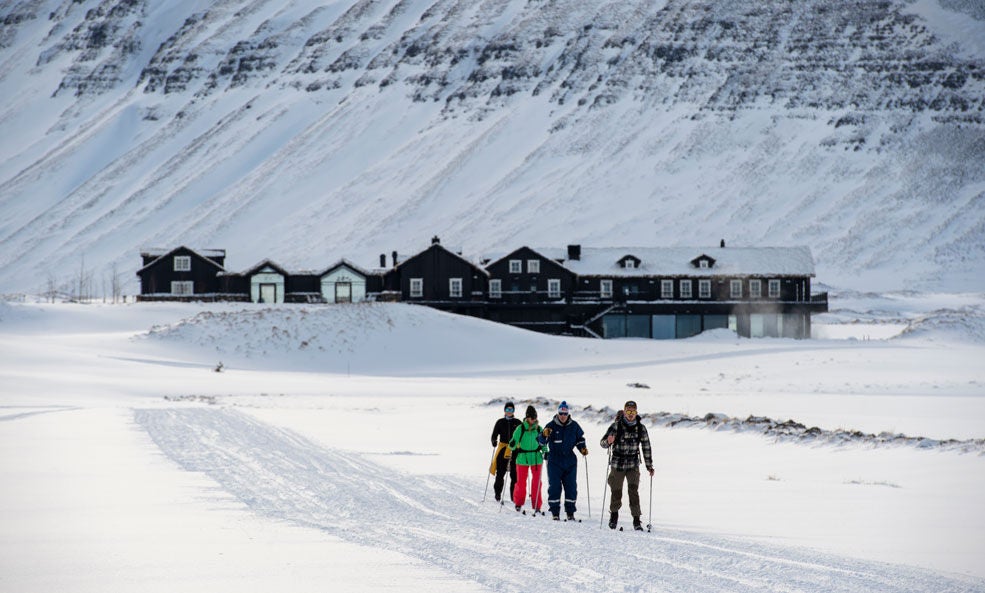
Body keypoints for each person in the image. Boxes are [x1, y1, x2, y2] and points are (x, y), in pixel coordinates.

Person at [600, 400, 654, 531]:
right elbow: (602, 443)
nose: (630, 414)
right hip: (617, 464)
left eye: (633, 411)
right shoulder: (616, 426)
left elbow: (646, 447)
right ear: (624, 412)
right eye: (628, 411)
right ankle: (614, 516)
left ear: (636, 412)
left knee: (633, 492)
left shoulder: (641, 428)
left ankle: (636, 520)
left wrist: (649, 466)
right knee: (616, 491)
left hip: (633, 465)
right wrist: (608, 441)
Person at [538, 401, 588, 521]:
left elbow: (580, 439)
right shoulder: (551, 425)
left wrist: (582, 448)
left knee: (571, 487)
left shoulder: (574, 425)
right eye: (561, 413)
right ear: (558, 413)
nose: (563, 416)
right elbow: (540, 441)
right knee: (554, 487)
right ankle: (555, 512)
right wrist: (544, 435)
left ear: (568, 414)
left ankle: (570, 512)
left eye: (565, 413)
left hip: (570, 461)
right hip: (554, 460)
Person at [509, 405, 547, 513]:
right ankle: (518, 503)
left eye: (535, 417)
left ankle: (537, 505)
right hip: (522, 458)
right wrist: (511, 444)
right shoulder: (520, 429)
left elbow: (543, 443)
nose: (534, 420)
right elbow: (513, 443)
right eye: (532, 418)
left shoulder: (539, 429)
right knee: (521, 482)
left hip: (536, 458)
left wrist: (545, 451)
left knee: (537, 482)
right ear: (527, 417)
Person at [489, 401, 521, 503]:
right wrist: (494, 441)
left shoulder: (518, 422)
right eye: (507, 409)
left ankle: (513, 495)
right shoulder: (500, 422)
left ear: (513, 411)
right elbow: (494, 434)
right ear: (504, 410)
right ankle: (497, 493)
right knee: (500, 472)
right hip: (503, 448)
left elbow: (523, 435)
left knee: (514, 474)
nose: (509, 411)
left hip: (515, 449)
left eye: (511, 409)